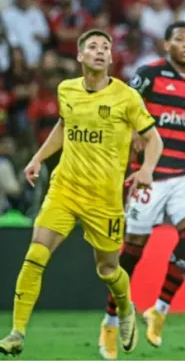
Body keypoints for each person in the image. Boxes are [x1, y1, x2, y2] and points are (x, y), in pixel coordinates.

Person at [0, 30, 164, 357]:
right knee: (36, 255)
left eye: (106, 47)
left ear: (111, 58)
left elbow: (154, 139)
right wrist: (38, 158)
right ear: (80, 56)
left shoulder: (127, 97)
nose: (100, 51)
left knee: (107, 269)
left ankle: (124, 306)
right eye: (93, 47)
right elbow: (64, 125)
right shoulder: (66, 89)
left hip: (104, 198)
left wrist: (146, 169)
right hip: (65, 188)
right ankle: (17, 332)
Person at [99, 21, 185, 358]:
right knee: (132, 252)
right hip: (150, 174)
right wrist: (131, 145)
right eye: (180, 40)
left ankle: (159, 309)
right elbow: (124, 108)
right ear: (166, 44)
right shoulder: (149, 74)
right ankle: (111, 324)